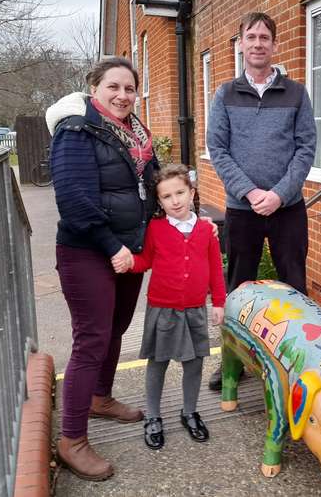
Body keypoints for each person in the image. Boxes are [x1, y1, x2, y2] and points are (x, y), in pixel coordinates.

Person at [45, 57, 159, 481]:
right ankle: (71, 438)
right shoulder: (76, 129)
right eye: (113, 87)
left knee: (116, 327)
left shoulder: (137, 133)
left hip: (129, 250)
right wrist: (112, 246)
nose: (122, 96)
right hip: (87, 250)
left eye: (129, 88)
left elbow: (150, 185)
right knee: (91, 338)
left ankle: (100, 396)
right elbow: (73, 201)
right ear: (94, 88)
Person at [206, 12, 317, 391]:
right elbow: (217, 149)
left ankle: (297, 367)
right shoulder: (225, 93)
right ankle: (231, 363)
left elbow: (306, 149)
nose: (257, 43)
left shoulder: (296, 93)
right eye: (250, 36)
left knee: (294, 286)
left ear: (274, 44)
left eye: (264, 37)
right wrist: (251, 193)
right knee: (237, 288)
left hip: (287, 211)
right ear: (240, 44)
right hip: (242, 210)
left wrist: (279, 194)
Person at [111, 164, 226, 450]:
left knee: (195, 363)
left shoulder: (205, 230)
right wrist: (128, 263)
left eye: (180, 193)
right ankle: (153, 416)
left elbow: (215, 269)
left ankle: (189, 412)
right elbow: (145, 261)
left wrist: (219, 303)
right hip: (162, 308)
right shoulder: (155, 228)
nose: (175, 201)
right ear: (159, 202)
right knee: (157, 363)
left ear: (192, 192)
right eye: (166, 196)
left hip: (195, 309)